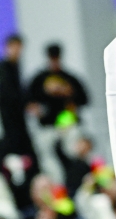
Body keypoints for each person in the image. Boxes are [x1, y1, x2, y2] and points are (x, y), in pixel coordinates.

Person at [25, 43, 88, 184]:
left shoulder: (69, 78)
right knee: (45, 153)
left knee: (73, 148)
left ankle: (79, 180)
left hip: (67, 122)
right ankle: (57, 185)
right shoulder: (39, 79)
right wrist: (35, 108)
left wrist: (68, 92)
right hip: (47, 124)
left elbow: (84, 99)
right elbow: (28, 101)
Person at [0, 34, 37, 165]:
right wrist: (26, 104)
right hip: (9, 121)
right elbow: (8, 95)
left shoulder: (15, 68)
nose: (17, 51)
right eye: (15, 47)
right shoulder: (4, 69)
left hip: (17, 121)